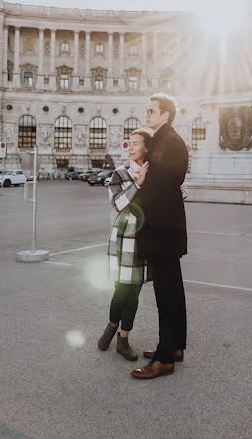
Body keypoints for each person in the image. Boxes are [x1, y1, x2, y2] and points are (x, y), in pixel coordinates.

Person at [130, 93, 189, 380]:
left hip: (162, 231)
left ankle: (165, 359)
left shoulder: (167, 143)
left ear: (166, 114)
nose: (147, 114)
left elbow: (156, 187)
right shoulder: (167, 140)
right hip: (168, 229)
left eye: (152, 111)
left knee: (166, 295)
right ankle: (174, 346)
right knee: (173, 291)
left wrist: (134, 200)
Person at [97, 128, 154, 361]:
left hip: (145, 239)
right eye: (129, 143)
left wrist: (179, 192)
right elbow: (118, 203)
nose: (130, 146)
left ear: (147, 148)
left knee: (136, 292)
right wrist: (138, 184)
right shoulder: (119, 173)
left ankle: (123, 338)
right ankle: (111, 326)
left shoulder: (154, 173)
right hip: (124, 240)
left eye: (136, 143)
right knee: (121, 290)